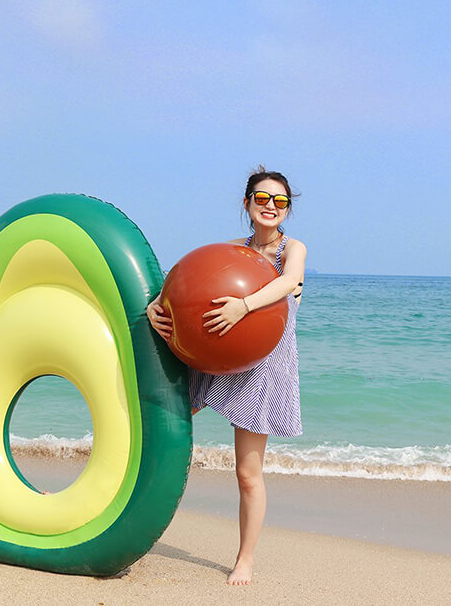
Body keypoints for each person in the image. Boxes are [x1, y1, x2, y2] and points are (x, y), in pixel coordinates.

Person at [146, 166, 307, 587]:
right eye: (261, 198)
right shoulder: (231, 249)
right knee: (152, 427)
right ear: (247, 203)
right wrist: (154, 307)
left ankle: (245, 560)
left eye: (280, 201)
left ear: (288, 209)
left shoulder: (293, 250)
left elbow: (289, 282)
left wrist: (244, 305)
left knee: (247, 473)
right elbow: (184, 282)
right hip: (212, 357)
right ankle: (96, 502)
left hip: (262, 367)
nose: (270, 206)